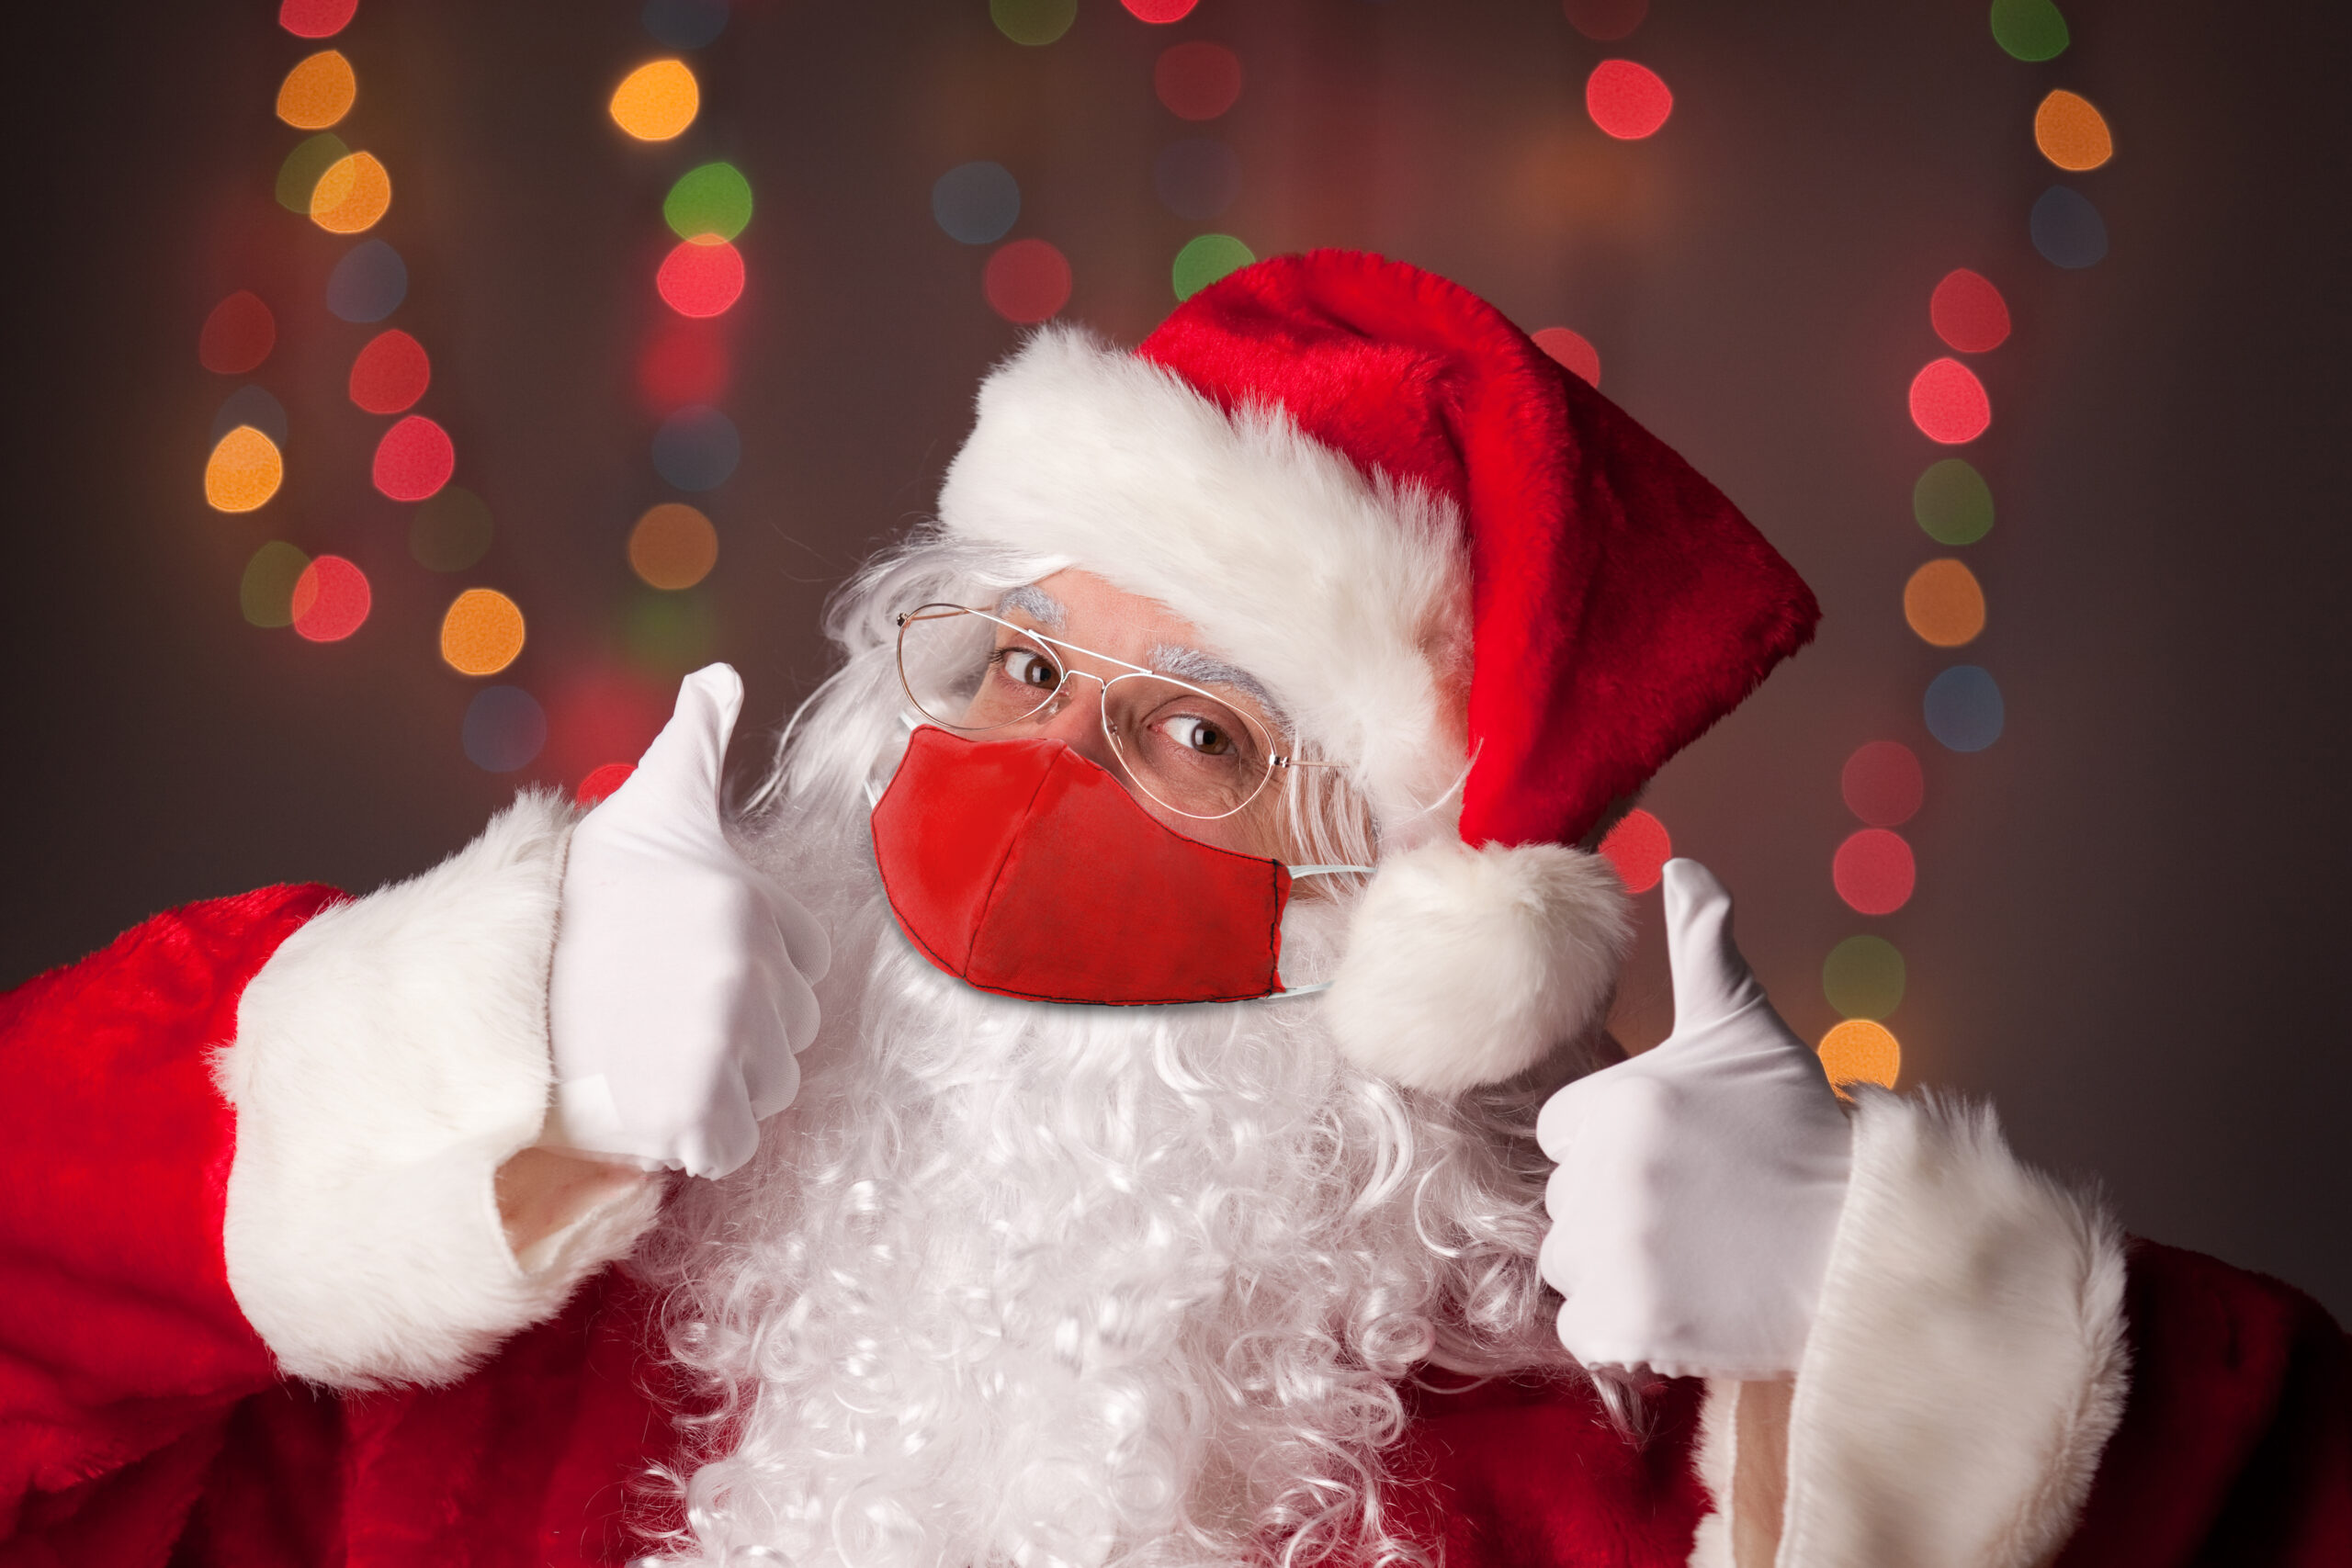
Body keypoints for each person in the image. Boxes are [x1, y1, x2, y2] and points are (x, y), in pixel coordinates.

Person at [2, 252, 2344, 1567]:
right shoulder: (504, 1317)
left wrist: (1849, 1337)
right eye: (1012, 667)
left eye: (1203, 738)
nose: (1037, 781)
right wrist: (420, 1055)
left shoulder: (1591, 1463)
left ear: (1401, 930)